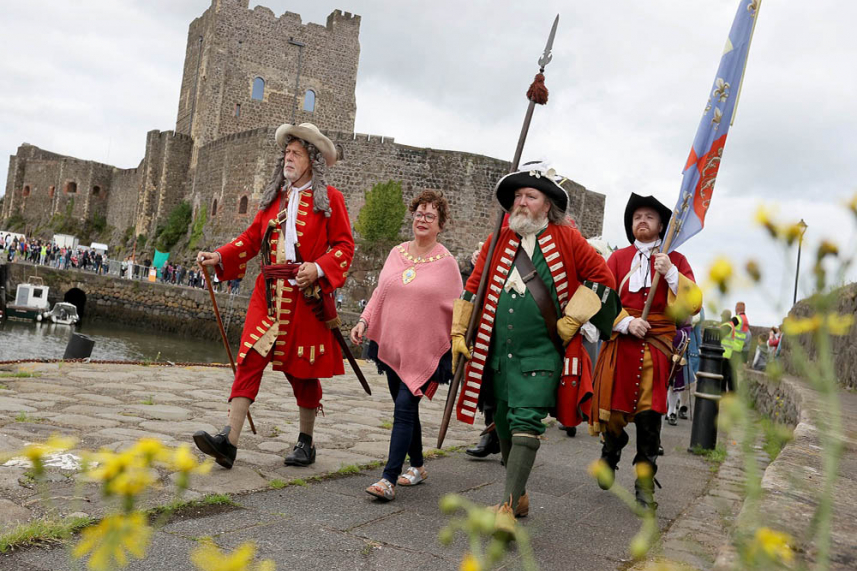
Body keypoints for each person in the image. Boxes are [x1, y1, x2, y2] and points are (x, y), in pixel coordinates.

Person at [452, 161, 617, 521]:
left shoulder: (568, 238)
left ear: (547, 204)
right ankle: (520, 494)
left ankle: (507, 507)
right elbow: (474, 285)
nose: (521, 202)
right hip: (498, 353)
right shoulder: (498, 240)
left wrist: (573, 316)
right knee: (506, 423)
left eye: (531, 195)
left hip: (543, 352)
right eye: (517, 196)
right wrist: (459, 331)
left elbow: (603, 279)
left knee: (527, 420)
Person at [193, 122, 355, 469]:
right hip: (267, 293)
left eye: (295, 153)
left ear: (312, 159)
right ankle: (229, 441)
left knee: (302, 372)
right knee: (250, 356)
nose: (288, 157)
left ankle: (306, 442)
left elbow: (344, 246)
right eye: (287, 152)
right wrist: (220, 255)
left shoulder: (332, 201)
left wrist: (319, 267)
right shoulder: (274, 200)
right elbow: (252, 238)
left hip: (304, 296)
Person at [589, 193, 702, 511]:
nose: (642, 220)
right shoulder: (617, 259)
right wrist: (624, 324)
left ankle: (644, 484)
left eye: (650, 216)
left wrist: (670, 274)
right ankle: (610, 454)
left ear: (662, 225)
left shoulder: (676, 261)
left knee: (650, 420)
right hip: (620, 348)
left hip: (657, 351)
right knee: (612, 415)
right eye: (637, 216)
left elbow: (693, 305)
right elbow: (600, 300)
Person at [350, 190, 461, 501]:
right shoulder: (397, 253)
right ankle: (419, 466)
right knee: (405, 410)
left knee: (403, 407)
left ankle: (388, 479)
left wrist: (455, 345)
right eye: (419, 213)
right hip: (392, 345)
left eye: (430, 216)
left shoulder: (447, 264)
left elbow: (457, 309)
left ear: (440, 224)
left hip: (423, 350)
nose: (422, 220)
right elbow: (380, 294)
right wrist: (364, 321)